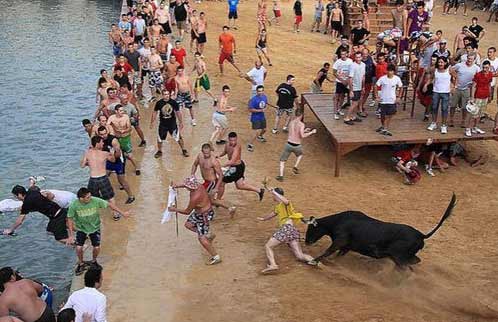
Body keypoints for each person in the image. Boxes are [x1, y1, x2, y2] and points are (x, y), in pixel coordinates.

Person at [68, 187, 130, 275]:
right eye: (87, 197)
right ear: (81, 198)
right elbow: (69, 218)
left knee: (96, 247)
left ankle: (94, 261)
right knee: (79, 247)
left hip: (95, 228)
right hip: (81, 229)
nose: (90, 198)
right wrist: (71, 235)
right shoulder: (74, 205)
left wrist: (122, 213)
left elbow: (109, 205)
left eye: (90, 196)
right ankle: (81, 263)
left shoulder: (95, 200)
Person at [257, 187, 315, 274]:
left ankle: (273, 265)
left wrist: (274, 192)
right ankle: (316, 261)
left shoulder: (285, 204)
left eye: (273, 195)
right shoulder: (278, 207)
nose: (272, 197)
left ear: (276, 195)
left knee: (268, 246)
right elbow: (272, 214)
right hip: (292, 230)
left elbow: (286, 201)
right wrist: (263, 219)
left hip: (286, 229)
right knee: (300, 256)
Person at [168, 176, 221, 265]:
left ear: (190, 187)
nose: (185, 187)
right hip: (199, 212)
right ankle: (207, 234)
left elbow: (187, 211)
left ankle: (216, 257)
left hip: (204, 215)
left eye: (186, 186)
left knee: (201, 239)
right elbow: (186, 185)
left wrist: (175, 209)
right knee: (188, 225)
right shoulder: (199, 185)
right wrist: (176, 185)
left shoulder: (195, 198)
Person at [83, 135, 129, 221]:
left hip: (92, 178)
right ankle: (115, 214)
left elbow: (82, 165)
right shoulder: (104, 153)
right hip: (102, 177)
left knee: (92, 198)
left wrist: (90, 163)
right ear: (97, 144)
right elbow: (113, 160)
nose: (103, 143)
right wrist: (112, 153)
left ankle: (93, 216)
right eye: (102, 142)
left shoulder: (87, 152)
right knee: (110, 197)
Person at [3, 183, 70, 243]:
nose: (16, 198)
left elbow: (20, 221)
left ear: (20, 195)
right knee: (50, 231)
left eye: (15, 196)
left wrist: (10, 230)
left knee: (59, 238)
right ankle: (68, 229)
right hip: (60, 211)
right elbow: (34, 186)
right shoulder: (32, 191)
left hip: (57, 216)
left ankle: (76, 243)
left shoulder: (27, 203)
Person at [216, 132, 265, 201]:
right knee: (240, 185)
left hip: (236, 167)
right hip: (236, 167)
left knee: (221, 182)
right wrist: (219, 155)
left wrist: (219, 166)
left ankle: (218, 200)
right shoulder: (227, 144)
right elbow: (225, 151)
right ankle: (259, 190)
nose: (233, 142)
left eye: (234, 140)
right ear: (228, 139)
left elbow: (232, 161)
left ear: (236, 139)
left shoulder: (237, 147)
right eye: (231, 140)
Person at [191, 143, 236, 216]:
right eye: (205, 153)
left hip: (212, 183)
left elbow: (221, 175)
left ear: (210, 151)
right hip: (206, 182)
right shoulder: (199, 156)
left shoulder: (214, 161)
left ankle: (205, 213)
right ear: (202, 151)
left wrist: (216, 188)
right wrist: (192, 174)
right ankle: (230, 208)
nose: (207, 155)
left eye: (208, 153)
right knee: (210, 200)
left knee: (204, 198)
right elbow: (194, 165)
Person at [276, 109, 317, 181]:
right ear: (301, 115)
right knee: (300, 155)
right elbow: (302, 136)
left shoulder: (291, 122)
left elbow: (294, 132)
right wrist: (311, 132)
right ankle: (295, 166)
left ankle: (281, 176)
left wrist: (304, 130)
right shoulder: (301, 124)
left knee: (282, 161)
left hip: (288, 144)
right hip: (297, 145)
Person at [151, 90, 189, 158]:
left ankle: (184, 149)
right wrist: (152, 122)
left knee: (178, 137)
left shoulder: (173, 102)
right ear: (162, 95)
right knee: (160, 138)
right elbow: (155, 112)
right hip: (163, 124)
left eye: (168, 94)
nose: (167, 95)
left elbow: (178, 112)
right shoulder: (159, 103)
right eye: (165, 94)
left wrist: (181, 122)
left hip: (172, 124)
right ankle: (159, 151)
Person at [449, 53, 480, 132]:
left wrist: (473, 85)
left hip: (467, 89)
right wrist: (456, 77)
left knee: (464, 107)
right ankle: (451, 119)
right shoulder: (460, 65)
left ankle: (463, 121)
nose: (469, 60)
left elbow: (478, 78)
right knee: (453, 105)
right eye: (468, 58)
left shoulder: (476, 68)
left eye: (471, 59)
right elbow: (450, 70)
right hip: (457, 88)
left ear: (474, 60)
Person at [107, 104, 141, 176]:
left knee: (129, 155)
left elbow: (129, 128)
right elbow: (107, 126)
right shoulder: (111, 118)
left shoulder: (126, 117)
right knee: (115, 154)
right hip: (116, 138)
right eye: (121, 110)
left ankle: (137, 167)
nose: (123, 112)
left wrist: (124, 131)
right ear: (116, 111)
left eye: (123, 110)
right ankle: (113, 169)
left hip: (125, 138)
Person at [374, 64, 403, 136]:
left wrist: (399, 97)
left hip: (392, 100)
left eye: (391, 71)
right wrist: (377, 96)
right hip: (383, 100)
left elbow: (401, 87)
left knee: (390, 115)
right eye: (389, 71)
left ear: (394, 72)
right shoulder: (382, 78)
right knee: (382, 116)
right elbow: (376, 86)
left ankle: (385, 128)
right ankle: (383, 126)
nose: (390, 72)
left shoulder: (397, 79)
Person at [467, 61, 494, 136]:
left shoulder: (490, 74)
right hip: (478, 96)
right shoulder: (478, 75)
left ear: (489, 67)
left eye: (487, 68)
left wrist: (490, 95)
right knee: (473, 113)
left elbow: (489, 85)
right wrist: (472, 97)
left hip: (485, 96)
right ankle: (468, 128)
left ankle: (475, 127)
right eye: (484, 67)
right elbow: (473, 86)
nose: (485, 69)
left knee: (480, 113)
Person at [427, 57, 452, 134]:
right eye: (439, 62)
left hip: (445, 92)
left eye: (442, 62)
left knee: (444, 109)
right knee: (434, 107)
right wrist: (426, 85)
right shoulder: (435, 70)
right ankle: (434, 123)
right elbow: (431, 78)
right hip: (436, 91)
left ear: (445, 63)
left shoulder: (449, 70)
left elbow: (456, 77)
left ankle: (443, 125)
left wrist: (454, 86)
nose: (440, 64)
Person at [344, 52, 365, 125]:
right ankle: (347, 117)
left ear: (362, 57)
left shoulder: (363, 65)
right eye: (357, 57)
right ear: (355, 58)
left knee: (357, 102)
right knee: (354, 103)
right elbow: (350, 78)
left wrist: (363, 87)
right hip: (354, 87)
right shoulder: (353, 66)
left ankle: (353, 116)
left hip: (359, 87)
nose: (358, 59)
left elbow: (363, 77)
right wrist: (351, 90)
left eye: (359, 57)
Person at [247, 85, 268, 152]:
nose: (260, 92)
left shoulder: (264, 97)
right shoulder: (253, 100)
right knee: (255, 133)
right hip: (255, 118)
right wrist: (260, 110)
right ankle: (250, 144)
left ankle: (260, 136)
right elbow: (250, 109)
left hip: (262, 117)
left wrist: (264, 108)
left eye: (262, 91)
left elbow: (265, 104)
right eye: (259, 91)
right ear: (256, 91)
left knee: (264, 129)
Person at [333, 49, 352, 120]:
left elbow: (351, 71)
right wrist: (341, 80)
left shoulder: (350, 61)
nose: (343, 56)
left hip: (347, 81)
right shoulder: (338, 62)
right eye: (341, 54)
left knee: (343, 96)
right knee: (336, 97)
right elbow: (334, 72)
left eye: (344, 54)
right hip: (339, 82)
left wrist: (347, 80)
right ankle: (335, 112)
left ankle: (339, 109)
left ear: (347, 54)